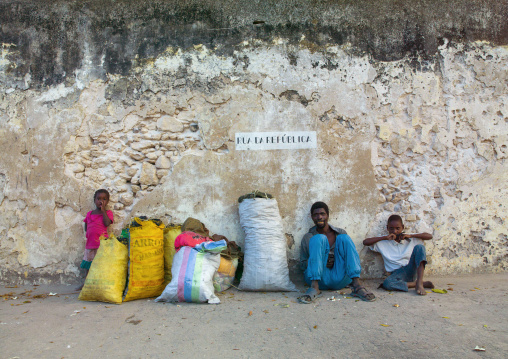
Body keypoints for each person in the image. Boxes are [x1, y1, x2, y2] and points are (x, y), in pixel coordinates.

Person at [299, 202, 375, 303]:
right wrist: (318, 260)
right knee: (318, 238)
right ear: (312, 217)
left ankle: (357, 286)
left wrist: (334, 259)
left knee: (345, 238)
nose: (319, 217)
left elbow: (348, 256)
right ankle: (314, 288)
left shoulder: (340, 233)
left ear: (328, 215)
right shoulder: (308, 237)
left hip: (340, 278)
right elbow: (302, 265)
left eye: (322, 214)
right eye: (315, 215)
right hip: (319, 278)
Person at [363, 214, 434, 295]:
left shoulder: (409, 238)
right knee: (387, 283)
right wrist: (384, 238)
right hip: (396, 275)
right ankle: (417, 284)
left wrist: (411, 235)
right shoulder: (383, 241)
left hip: (410, 270)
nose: (395, 231)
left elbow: (429, 236)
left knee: (420, 247)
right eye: (391, 228)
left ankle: (419, 282)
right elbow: (365, 242)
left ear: (402, 227)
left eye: (398, 228)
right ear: (387, 228)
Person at [76, 189, 114, 291]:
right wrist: (89, 233)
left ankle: (101, 284)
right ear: (94, 200)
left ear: (108, 202)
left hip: (101, 245)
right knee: (88, 265)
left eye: (104, 199)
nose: (101, 201)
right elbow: (86, 226)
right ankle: (86, 283)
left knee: (101, 264)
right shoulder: (90, 214)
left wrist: (103, 212)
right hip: (90, 244)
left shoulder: (108, 213)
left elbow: (107, 223)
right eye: (98, 199)